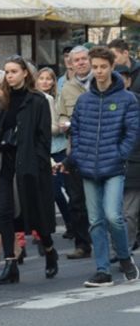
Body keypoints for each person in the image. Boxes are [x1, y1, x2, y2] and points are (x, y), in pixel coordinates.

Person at [69, 47, 140, 288]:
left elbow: (132, 132)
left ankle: (124, 257)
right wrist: (78, 155)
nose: (99, 71)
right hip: (88, 167)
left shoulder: (127, 99)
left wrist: (120, 154)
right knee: (95, 220)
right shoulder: (84, 100)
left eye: (103, 67)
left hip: (114, 167)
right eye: (95, 67)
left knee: (114, 216)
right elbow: (75, 130)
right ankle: (102, 270)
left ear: (111, 67)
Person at [0, 57, 58, 285]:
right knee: (4, 213)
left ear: (25, 73)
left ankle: (49, 250)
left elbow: (43, 138)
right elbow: (0, 131)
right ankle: (10, 263)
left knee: (35, 214)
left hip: (28, 165)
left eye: (14, 71)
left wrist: (36, 161)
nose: (9, 75)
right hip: (5, 163)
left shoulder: (37, 100)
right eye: (7, 71)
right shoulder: (4, 101)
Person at [56, 45, 94, 260]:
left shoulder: (101, 82)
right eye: (75, 60)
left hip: (100, 151)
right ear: (70, 63)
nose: (80, 63)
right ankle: (82, 244)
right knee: (76, 200)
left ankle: (115, 243)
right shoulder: (67, 88)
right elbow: (60, 116)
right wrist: (64, 123)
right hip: (75, 151)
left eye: (83, 59)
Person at [37, 67, 74, 234]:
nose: (45, 81)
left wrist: (56, 126)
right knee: (53, 191)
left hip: (58, 149)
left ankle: (72, 223)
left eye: (48, 78)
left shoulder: (56, 99)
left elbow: (57, 126)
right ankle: (69, 223)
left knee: (66, 190)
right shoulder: (35, 99)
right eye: (42, 78)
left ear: (53, 81)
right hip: (43, 151)